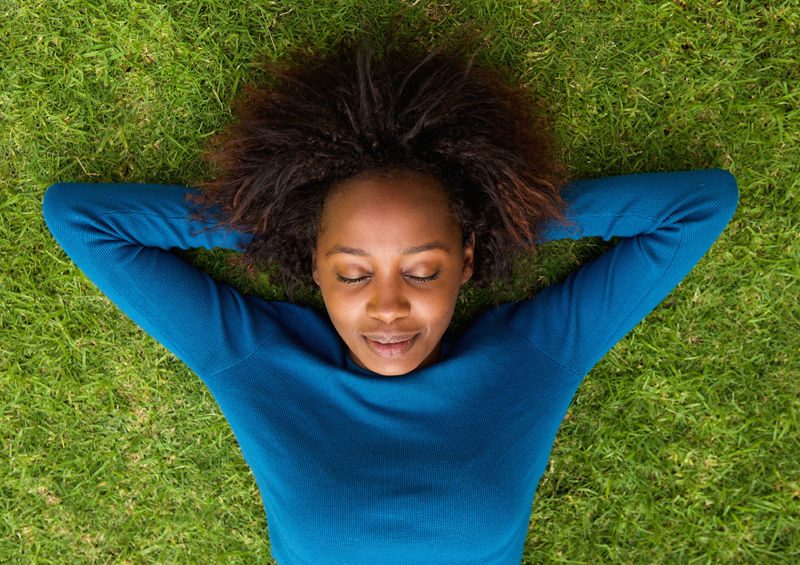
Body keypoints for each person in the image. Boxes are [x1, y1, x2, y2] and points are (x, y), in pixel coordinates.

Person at [41, 25, 738, 565]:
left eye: (424, 268)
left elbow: (701, 203)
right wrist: (283, 218)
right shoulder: (255, 357)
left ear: (468, 261)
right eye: (351, 271)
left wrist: (500, 211)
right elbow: (79, 217)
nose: (388, 307)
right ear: (312, 266)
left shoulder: (534, 355)